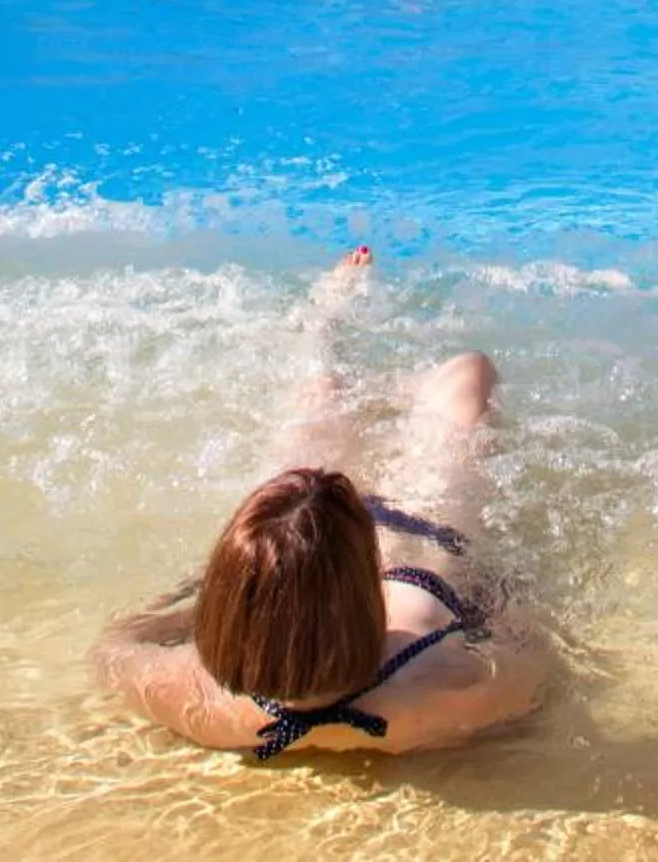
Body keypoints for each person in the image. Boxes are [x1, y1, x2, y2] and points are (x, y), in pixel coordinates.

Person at [92, 251, 548, 757]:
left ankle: (326, 316)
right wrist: (504, 585)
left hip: (325, 546)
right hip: (422, 527)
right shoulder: (445, 690)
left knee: (321, 390)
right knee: (467, 373)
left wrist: (202, 599)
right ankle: (344, 336)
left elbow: (113, 647)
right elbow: (534, 657)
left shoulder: (194, 698)